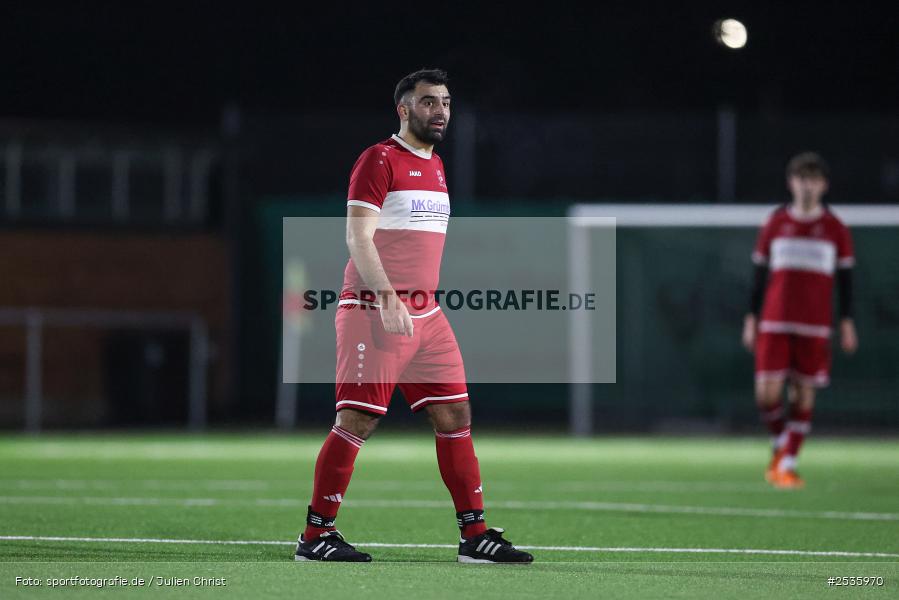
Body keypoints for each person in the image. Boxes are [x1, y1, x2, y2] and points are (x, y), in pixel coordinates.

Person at [294, 68, 533, 563]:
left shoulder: (438, 165)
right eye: (428, 102)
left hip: (428, 316)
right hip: (373, 309)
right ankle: (315, 536)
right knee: (356, 419)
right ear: (404, 109)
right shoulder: (379, 159)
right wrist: (385, 297)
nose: (440, 111)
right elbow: (358, 236)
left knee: (455, 415)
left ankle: (475, 536)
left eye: (445, 102)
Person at [742, 152, 858, 489]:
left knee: (803, 393)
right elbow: (759, 275)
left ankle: (786, 465)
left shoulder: (835, 228)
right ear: (791, 182)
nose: (807, 185)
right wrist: (751, 318)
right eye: (801, 178)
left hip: (814, 324)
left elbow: (847, 279)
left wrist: (847, 321)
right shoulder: (775, 222)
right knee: (766, 394)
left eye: (813, 179)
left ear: (823, 185)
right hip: (774, 321)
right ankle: (782, 444)